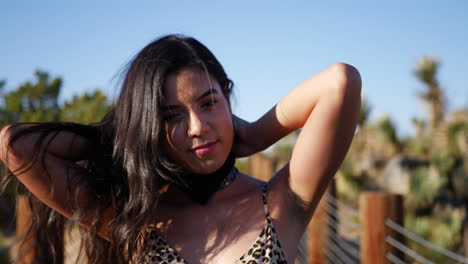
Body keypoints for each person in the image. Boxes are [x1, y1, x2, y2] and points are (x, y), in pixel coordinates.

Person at [0, 34, 361, 264]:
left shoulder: (281, 202)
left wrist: (253, 135)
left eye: (208, 103)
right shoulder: (133, 219)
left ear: (227, 95)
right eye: (171, 116)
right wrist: (132, 137)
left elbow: (339, 83)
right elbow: (14, 145)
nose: (197, 128)